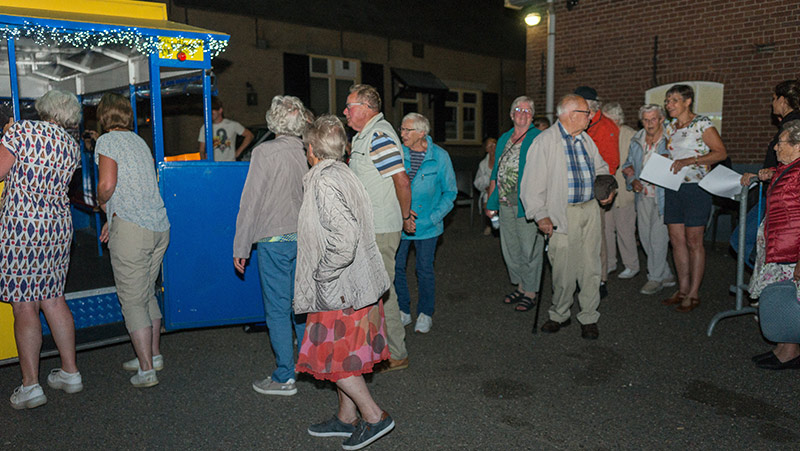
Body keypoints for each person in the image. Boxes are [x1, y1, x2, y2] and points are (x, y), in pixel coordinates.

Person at [295, 115, 395, 450]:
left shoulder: (323, 180)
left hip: (340, 288)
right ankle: (346, 416)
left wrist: (322, 275)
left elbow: (345, 236)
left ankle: (374, 415)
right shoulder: (345, 172)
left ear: (311, 150)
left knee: (332, 358)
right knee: (345, 356)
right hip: (356, 285)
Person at [0, 90, 82, 408]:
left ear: (43, 109)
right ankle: (70, 372)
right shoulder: (72, 146)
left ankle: (31, 385)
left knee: (24, 304)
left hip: (22, 227)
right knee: (53, 297)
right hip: (58, 227)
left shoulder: (21, 131)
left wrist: (6, 135)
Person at [520, 94, 615, 339]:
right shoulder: (545, 142)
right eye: (586, 113)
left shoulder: (586, 140)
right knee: (563, 269)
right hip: (561, 213)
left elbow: (601, 167)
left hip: (589, 210)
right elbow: (531, 185)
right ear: (571, 114)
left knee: (591, 267)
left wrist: (606, 188)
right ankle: (559, 313)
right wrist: (540, 215)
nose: (591, 117)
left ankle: (589, 316)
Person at [232, 95, 308, 396]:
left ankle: (284, 376)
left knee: (277, 309)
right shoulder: (307, 150)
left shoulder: (264, 153)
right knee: (301, 305)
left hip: (274, 240)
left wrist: (241, 246)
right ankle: (307, 363)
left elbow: (251, 202)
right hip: (304, 238)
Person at [95, 93, 171, 388]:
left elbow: (108, 185)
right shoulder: (139, 142)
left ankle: (146, 370)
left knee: (131, 300)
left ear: (104, 115)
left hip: (132, 229)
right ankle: (153, 355)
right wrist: (110, 218)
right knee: (146, 293)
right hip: (158, 226)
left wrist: (101, 202)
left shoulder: (108, 141)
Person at [343, 84, 411, 372]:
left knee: (383, 291)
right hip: (373, 226)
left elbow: (402, 181)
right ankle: (383, 347)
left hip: (381, 228)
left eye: (350, 106)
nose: (345, 111)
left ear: (367, 108)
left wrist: (405, 215)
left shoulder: (379, 136)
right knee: (379, 290)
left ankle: (396, 352)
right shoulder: (365, 136)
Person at [661, 84, 727, 312]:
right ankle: (682, 288)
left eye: (674, 100)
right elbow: (672, 154)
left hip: (696, 188)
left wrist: (691, 161)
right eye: (667, 101)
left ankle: (694, 292)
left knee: (693, 241)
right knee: (676, 240)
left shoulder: (702, 123)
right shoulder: (669, 127)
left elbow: (720, 152)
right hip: (673, 187)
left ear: (687, 102)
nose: (669, 105)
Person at [395, 113, 457, 333]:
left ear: (422, 133)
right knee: (396, 267)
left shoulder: (440, 157)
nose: (402, 134)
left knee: (424, 269)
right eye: (401, 129)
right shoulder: (398, 154)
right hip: (400, 224)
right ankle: (402, 310)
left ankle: (425, 313)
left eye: (407, 130)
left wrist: (432, 218)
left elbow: (450, 193)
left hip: (428, 226)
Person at [747, 120, 800, 370]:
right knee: (776, 296)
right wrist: (761, 174)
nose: (776, 148)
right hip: (779, 245)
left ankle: (790, 351)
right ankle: (783, 346)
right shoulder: (788, 168)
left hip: (792, 250)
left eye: (780, 142)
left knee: (787, 297)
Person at [485, 96, 544, 312]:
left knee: (530, 248)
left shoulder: (539, 138)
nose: (523, 113)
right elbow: (495, 173)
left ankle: (530, 291)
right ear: (511, 114)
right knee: (511, 248)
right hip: (504, 202)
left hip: (527, 203)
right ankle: (521, 286)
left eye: (528, 110)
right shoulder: (504, 139)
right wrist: (490, 201)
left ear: (532, 116)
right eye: (518, 109)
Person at [621, 105, 676, 295]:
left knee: (658, 239)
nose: (649, 124)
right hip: (642, 195)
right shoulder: (637, 139)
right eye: (645, 120)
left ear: (662, 119)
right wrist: (632, 180)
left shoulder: (671, 139)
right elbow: (628, 165)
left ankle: (655, 278)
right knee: (645, 238)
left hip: (664, 195)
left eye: (653, 119)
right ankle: (666, 274)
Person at [574, 86, 619, 299]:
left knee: (596, 239)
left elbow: (611, 164)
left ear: (591, 107)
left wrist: (600, 192)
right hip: (574, 191)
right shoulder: (577, 125)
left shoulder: (605, 126)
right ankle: (580, 277)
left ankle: (600, 280)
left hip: (594, 191)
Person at [602, 102, 640, 280]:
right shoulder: (604, 134)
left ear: (616, 119)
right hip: (606, 189)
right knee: (607, 230)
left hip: (625, 191)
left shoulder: (631, 135)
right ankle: (609, 262)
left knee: (625, 230)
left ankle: (631, 264)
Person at [197, 97, 254, 161]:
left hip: (229, 164)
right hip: (213, 165)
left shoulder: (232, 125)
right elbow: (201, 150)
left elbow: (249, 135)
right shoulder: (205, 127)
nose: (210, 113)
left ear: (220, 110)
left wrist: (238, 152)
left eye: (213, 111)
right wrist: (204, 160)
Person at [474, 136, 497, 235]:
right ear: (486, 149)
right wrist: (486, 186)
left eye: (494, 145)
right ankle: (491, 223)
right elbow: (477, 181)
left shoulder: (503, 160)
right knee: (487, 198)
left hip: (503, 189)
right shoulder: (483, 164)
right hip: (489, 191)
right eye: (489, 146)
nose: (492, 148)